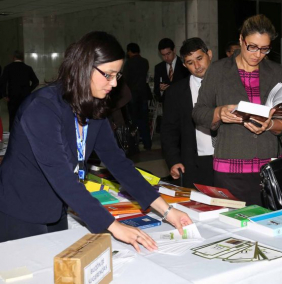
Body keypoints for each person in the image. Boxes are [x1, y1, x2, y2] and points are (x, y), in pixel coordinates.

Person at [0, 32, 192, 250]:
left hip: (57, 205)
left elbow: (118, 162)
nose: (113, 83)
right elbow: (61, 175)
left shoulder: (94, 106)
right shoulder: (42, 108)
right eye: (108, 75)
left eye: (117, 76)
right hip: (21, 208)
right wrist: (114, 226)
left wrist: (166, 210)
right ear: (84, 67)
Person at [193, 14, 282, 205]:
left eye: (265, 49)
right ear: (241, 39)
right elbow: (198, 113)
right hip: (230, 169)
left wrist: (271, 124)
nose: (258, 54)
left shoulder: (276, 72)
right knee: (233, 228)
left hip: (270, 168)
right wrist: (219, 113)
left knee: (269, 226)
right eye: (252, 47)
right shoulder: (218, 70)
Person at [161, 38, 215, 188]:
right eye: (190, 63)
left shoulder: (229, 84)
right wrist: (173, 160)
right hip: (194, 161)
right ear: (184, 65)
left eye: (199, 58)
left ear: (209, 54)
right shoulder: (176, 92)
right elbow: (169, 130)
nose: (197, 66)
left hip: (228, 159)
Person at [0, 50, 39, 132]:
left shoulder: (8, 68)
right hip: (25, 97)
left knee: (12, 117)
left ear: (14, 57)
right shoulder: (28, 68)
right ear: (23, 58)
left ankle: (12, 133)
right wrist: (29, 90)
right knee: (24, 116)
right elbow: (36, 81)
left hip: (12, 97)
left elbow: (3, 83)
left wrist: (4, 95)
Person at [123, 43, 151, 150]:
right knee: (144, 119)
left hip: (132, 95)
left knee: (133, 121)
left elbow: (125, 80)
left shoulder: (128, 63)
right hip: (143, 94)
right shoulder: (145, 62)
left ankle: (134, 144)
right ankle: (147, 143)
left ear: (130, 51)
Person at [153, 38, 190, 102]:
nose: (166, 58)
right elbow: (156, 91)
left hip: (182, 104)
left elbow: (189, 87)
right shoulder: (158, 68)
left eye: (168, 54)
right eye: (163, 55)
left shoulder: (184, 65)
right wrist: (161, 90)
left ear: (174, 50)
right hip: (167, 106)